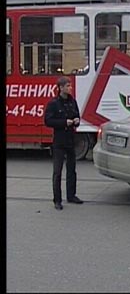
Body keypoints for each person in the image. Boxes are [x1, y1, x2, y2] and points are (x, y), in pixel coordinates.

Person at [44, 76, 83, 210]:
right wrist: (63, 123)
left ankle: (71, 195)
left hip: (71, 140)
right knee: (58, 171)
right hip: (59, 141)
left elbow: (77, 115)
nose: (70, 88)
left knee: (72, 170)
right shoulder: (54, 103)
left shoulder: (72, 102)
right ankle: (57, 200)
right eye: (67, 86)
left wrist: (77, 120)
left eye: (70, 85)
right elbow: (48, 121)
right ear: (60, 88)